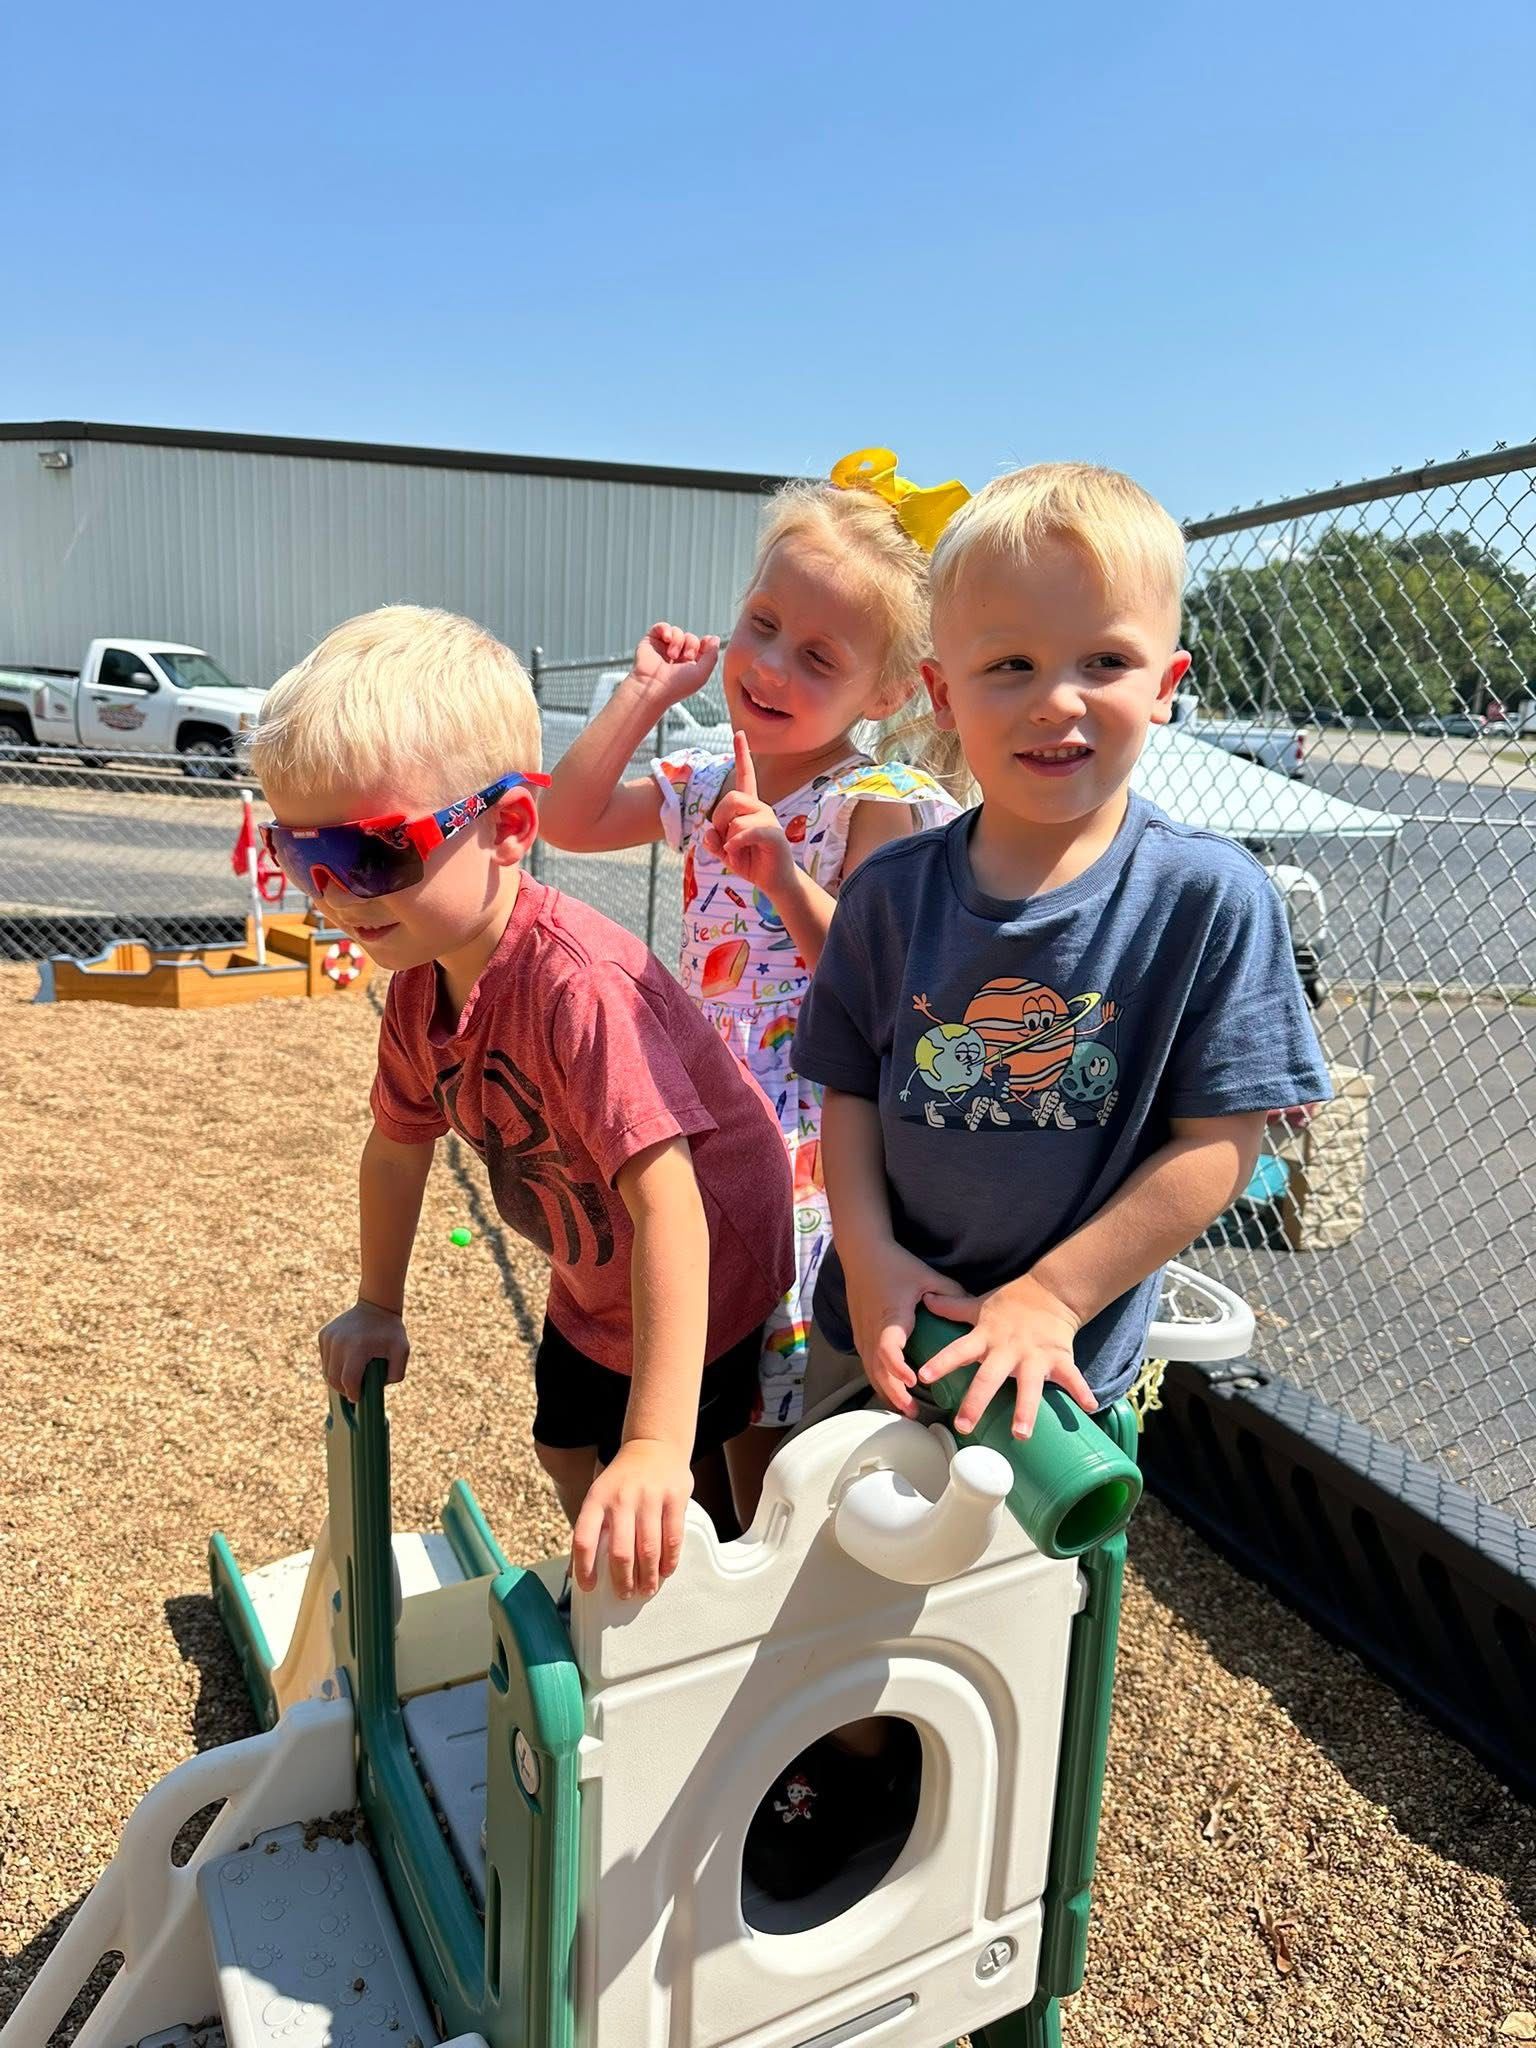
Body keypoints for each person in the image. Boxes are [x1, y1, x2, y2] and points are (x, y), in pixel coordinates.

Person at [249, 606, 793, 1603]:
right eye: (300, 853)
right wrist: (378, 1302)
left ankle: (697, 1614)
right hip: (596, 1265)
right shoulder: (418, 983)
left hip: (705, 1254)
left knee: (705, 1480)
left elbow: (670, 1201)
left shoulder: (575, 988)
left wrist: (658, 1446)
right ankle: (637, 1586)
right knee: (562, 1444)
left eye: (371, 854)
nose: (333, 892)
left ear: (507, 828)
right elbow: (395, 1148)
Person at [794, 460, 1332, 1445]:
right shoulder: (888, 893)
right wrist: (868, 1259)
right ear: (940, 691)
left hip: (1061, 1362)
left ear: (1167, 685)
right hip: (878, 1328)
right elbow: (852, 1093)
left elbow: (1221, 1143)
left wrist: (1051, 1295)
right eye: (1010, 665)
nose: (1057, 700)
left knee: (1026, 1592)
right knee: (827, 1557)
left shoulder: (1210, 899)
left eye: (1104, 662)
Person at [539, 450, 964, 1520]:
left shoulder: (875, 797)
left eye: (817, 654)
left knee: (763, 1399)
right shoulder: (702, 777)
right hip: (700, 1104)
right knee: (685, 1338)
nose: (770, 665)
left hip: (808, 1128)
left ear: (885, 690)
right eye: (762, 624)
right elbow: (570, 820)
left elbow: (867, 981)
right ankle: (700, 1551)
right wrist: (647, 695)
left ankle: (765, 1568)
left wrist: (778, 869)